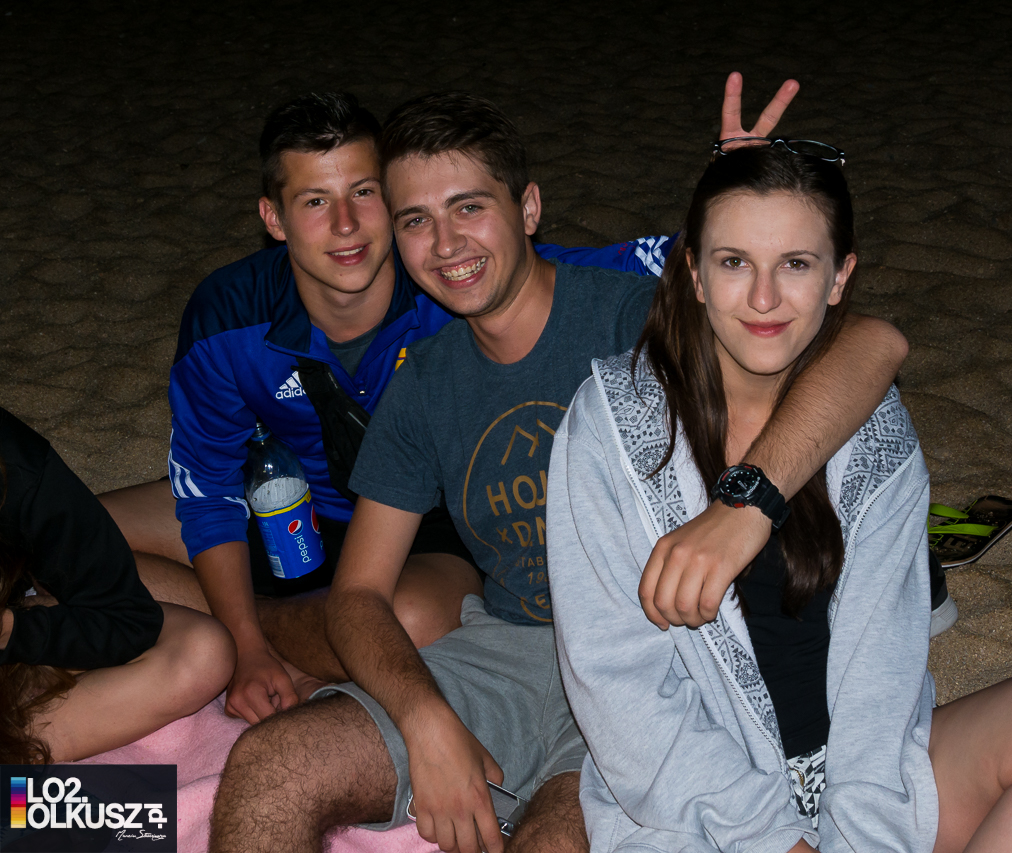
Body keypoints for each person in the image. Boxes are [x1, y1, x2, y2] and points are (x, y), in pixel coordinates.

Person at [209, 80, 912, 853]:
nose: (446, 243)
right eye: (415, 220)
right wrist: (425, 716)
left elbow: (867, 341)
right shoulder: (426, 380)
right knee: (269, 769)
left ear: (529, 208)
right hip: (507, 654)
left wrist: (749, 195)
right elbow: (358, 596)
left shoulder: (634, 318)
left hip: (650, 665)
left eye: (469, 207)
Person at [548, 142, 1012, 853]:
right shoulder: (613, 427)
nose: (764, 298)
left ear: (840, 277)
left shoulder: (872, 428)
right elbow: (620, 692)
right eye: (734, 262)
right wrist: (777, 840)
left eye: (796, 264)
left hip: (868, 776)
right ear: (694, 275)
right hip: (695, 809)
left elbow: (881, 684)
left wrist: (861, 838)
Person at [98, 92, 678, 724]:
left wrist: (739, 185)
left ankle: (249, 625)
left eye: (364, 192)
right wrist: (245, 649)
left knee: (411, 620)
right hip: (282, 502)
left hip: (422, 527)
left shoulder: (452, 281)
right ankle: (260, 635)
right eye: (315, 201)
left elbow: (648, 265)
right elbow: (208, 491)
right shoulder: (228, 316)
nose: (346, 224)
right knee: (71, 534)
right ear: (273, 218)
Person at [0, 406, 234, 763]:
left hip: (17, 642)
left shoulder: (19, 464)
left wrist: (13, 629)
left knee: (206, 652)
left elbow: (130, 621)